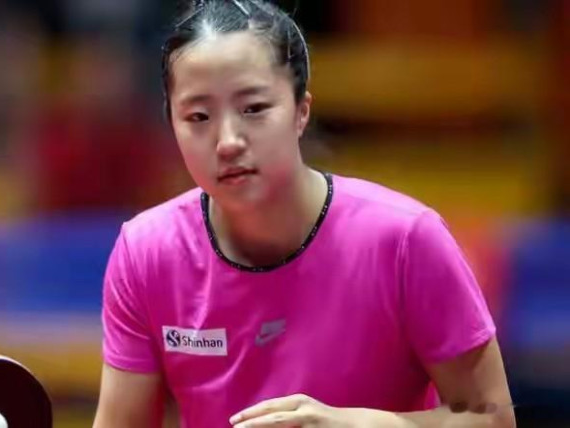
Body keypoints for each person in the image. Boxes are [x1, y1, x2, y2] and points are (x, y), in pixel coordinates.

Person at [93, 1, 516, 427]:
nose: (228, 141)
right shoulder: (147, 252)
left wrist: (354, 425)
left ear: (301, 111)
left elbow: (492, 418)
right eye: (198, 117)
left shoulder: (406, 240)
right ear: (172, 125)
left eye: (254, 108)